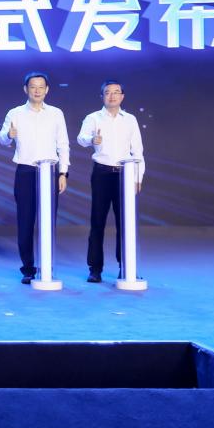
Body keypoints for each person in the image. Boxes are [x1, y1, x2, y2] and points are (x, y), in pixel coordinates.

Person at [0, 71, 71, 284]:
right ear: (26, 89)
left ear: (47, 90)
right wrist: (8, 135)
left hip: (49, 171)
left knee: (48, 221)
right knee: (25, 221)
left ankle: (47, 265)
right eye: (33, 87)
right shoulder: (15, 113)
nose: (37, 90)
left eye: (41, 87)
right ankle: (28, 268)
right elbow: (2, 138)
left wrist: (63, 172)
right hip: (26, 171)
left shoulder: (56, 113)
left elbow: (63, 144)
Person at [76, 80, 145, 283]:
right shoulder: (93, 118)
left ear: (122, 96)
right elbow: (81, 138)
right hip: (102, 173)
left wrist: (137, 177)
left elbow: (138, 151)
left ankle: (126, 266)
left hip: (125, 174)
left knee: (125, 223)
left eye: (116, 92)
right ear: (102, 96)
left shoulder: (130, 120)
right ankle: (95, 268)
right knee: (97, 222)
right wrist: (92, 140)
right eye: (108, 92)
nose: (112, 96)